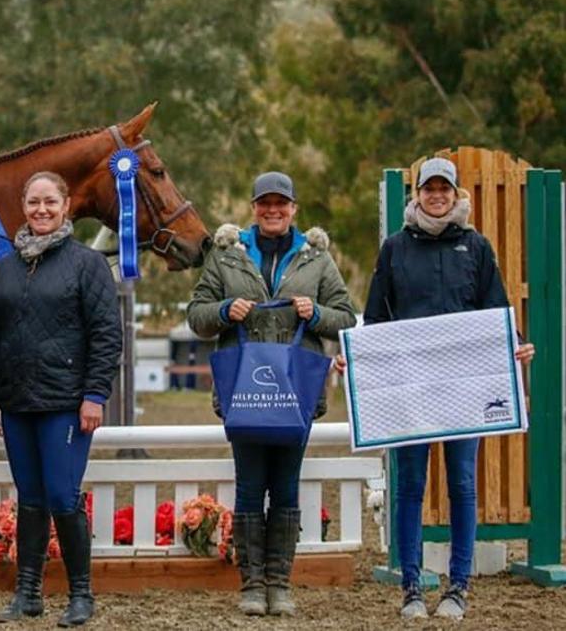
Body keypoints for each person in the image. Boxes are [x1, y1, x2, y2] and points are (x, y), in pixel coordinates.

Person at [355, 157, 536, 620]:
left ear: (456, 194)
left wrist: (515, 346)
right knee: (410, 486)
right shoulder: (394, 249)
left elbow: (495, 310)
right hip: (410, 389)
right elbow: (375, 319)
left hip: (465, 391)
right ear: (416, 194)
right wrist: (357, 360)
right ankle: (412, 588)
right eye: (429, 188)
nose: (437, 195)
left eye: (444, 188)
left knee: (461, 484)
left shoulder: (475, 247)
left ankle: (458, 588)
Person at [186, 171, 356, 617]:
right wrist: (225, 309)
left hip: (296, 392)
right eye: (265, 203)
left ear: (294, 209)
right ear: (254, 207)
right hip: (245, 389)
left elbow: (346, 316)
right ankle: (252, 585)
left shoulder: (316, 258)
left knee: (285, 487)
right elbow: (197, 317)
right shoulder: (226, 256)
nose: (273, 210)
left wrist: (315, 312)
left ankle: (280, 584)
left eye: (281, 203)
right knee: (248, 487)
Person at [0, 172, 122, 627]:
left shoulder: (87, 264)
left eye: (50, 202)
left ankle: (81, 594)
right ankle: (28, 594)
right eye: (33, 202)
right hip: (17, 402)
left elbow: (106, 335)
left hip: (66, 403)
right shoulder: (8, 265)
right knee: (31, 498)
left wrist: (95, 394)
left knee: (62, 496)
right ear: (23, 206)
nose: (41, 210)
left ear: (65, 205)